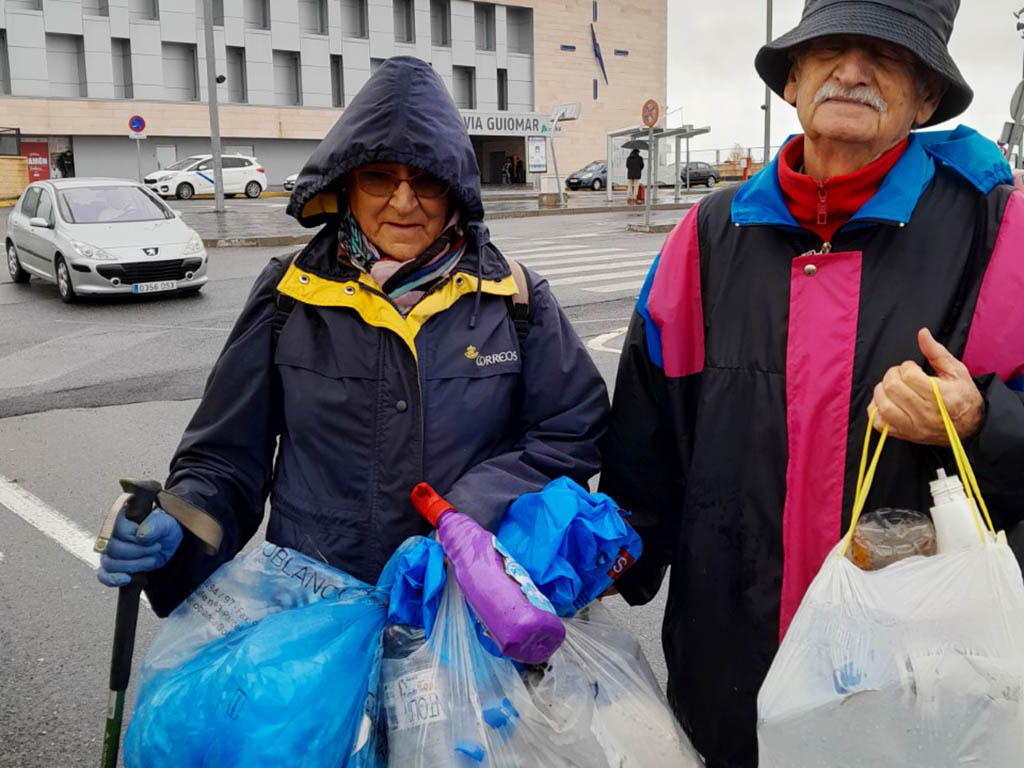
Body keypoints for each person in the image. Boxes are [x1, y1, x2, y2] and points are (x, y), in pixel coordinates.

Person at [600, 2, 1024, 766]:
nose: (853, 70)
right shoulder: (707, 235)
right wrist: (596, 572)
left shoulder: (995, 230)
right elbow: (647, 450)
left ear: (925, 98)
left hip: (918, 692)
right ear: (792, 80)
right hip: (727, 678)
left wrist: (979, 418)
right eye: (830, 48)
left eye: (887, 57)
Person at [96, 57, 609, 618]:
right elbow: (225, 457)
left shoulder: (513, 297)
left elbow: (571, 431)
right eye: (379, 177)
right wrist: (184, 516)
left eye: (428, 179)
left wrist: (472, 509)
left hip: (469, 613)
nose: (404, 202)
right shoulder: (289, 294)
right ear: (347, 183)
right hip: (315, 615)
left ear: (457, 188)